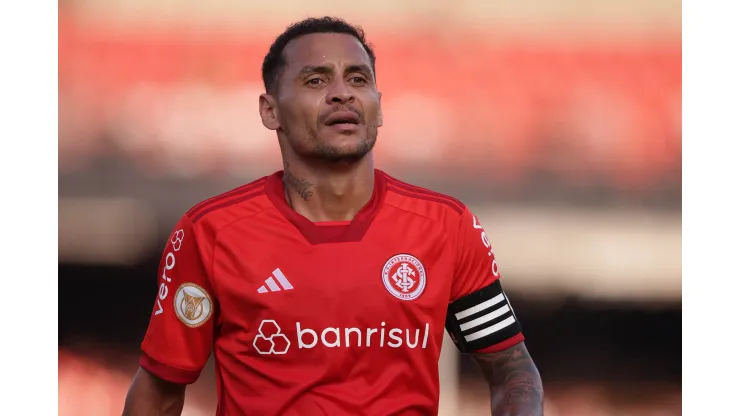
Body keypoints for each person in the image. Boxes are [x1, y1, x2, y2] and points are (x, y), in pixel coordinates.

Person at [122, 16, 543, 416]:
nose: (343, 93)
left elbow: (511, 368)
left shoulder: (446, 227)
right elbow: (159, 392)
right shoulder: (210, 233)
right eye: (316, 80)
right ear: (270, 111)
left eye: (358, 79)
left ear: (378, 106)